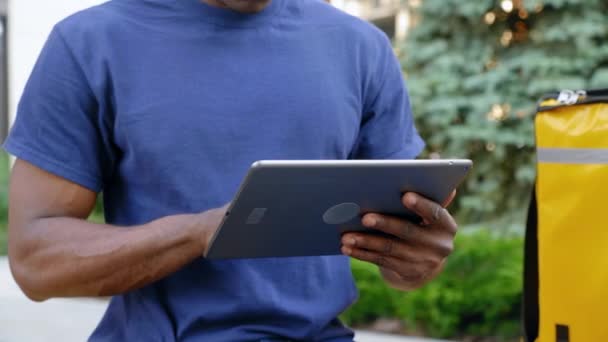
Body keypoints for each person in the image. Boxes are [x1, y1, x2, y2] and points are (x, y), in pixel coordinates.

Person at [4, 0, 458, 340]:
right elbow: (36, 261)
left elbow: (404, 256)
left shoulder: (361, 47)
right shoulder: (88, 43)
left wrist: (415, 263)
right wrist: (203, 232)